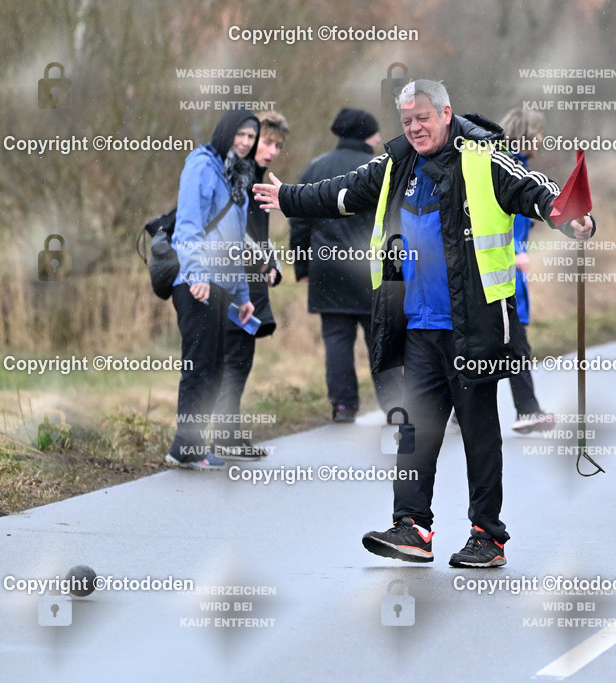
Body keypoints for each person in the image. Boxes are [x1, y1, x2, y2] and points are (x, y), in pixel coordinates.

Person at [254, 79, 595, 567]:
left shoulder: (483, 155)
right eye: (407, 121)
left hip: (472, 325)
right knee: (415, 429)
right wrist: (289, 197)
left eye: (423, 118)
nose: (415, 128)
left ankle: (487, 535)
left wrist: (571, 218)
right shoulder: (397, 163)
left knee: (479, 431)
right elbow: (343, 193)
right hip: (415, 324)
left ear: (446, 113)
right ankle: (412, 526)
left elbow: (533, 191)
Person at [289, 108, 402, 423]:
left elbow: (299, 220)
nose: (379, 138)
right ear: (367, 135)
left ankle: (343, 406)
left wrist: (303, 266)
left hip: (327, 269)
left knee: (336, 339)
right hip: (371, 269)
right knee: (380, 338)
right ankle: (394, 406)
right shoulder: (380, 169)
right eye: (376, 133)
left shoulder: (315, 168)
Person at [165, 110, 257, 471]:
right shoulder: (201, 165)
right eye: (241, 134)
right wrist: (196, 274)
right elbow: (187, 224)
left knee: (214, 368)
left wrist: (243, 294)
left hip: (220, 285)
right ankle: (185, 448)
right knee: (199, 366)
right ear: (226, 132)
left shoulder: (237, 176)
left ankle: (188, 446)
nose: (246, 143)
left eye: (252, 137)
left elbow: (234, 242)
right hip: (196, 283)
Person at [211, 111, 289, 460]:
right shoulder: (235, 174)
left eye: (278, 145)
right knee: (233, 358)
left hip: (250, 281)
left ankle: (228, 434)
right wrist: (261, 261)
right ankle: (220, 437)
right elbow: (230, 228)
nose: (271, 150)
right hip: (230, 281)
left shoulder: (257, 176)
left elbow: (259, 234)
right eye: (267, 142)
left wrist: (272, 264)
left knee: (240, 359)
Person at [497, 107, 552, 434]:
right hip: (503, 273)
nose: (542, 139)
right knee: (515, 345)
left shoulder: (510, 167)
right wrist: (516, 253)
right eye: (538, 133)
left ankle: (459, 413)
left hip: (501, 271)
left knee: (491, 345)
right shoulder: (513, 172)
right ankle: (528, 411)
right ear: (524, 134)